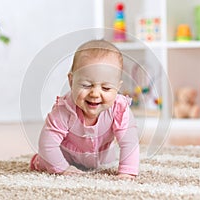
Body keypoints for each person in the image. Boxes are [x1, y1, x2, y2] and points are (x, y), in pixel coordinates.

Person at [30, 39, 140, 179]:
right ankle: (42, 162)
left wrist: (127, 172)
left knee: (107, 163)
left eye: (106, 88)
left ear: (117, 87)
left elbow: (130, 142)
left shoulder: (119, 109)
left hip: (102, 159)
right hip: (66, 157)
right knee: (47, 160)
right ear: (71, 82)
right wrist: (63, 169)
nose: (95, 94)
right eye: (86, 85)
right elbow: (47, 143)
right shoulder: (64, 109)